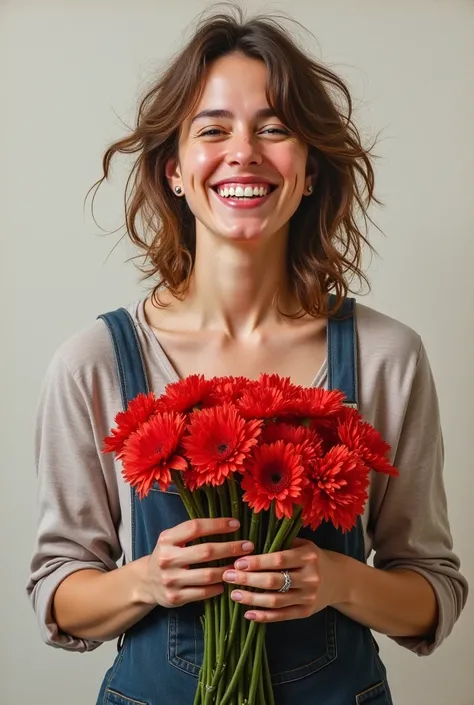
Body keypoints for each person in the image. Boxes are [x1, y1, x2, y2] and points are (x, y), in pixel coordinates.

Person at [27, 7, 468, 705]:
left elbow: (432, 590)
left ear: (312, 170)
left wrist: (339, 578)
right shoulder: (93, 362)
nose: (245, 152)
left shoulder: (388, 356)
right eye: (213, 129)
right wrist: (146, 578)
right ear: (175, 170)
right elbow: (57, 591)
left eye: (275, 128)